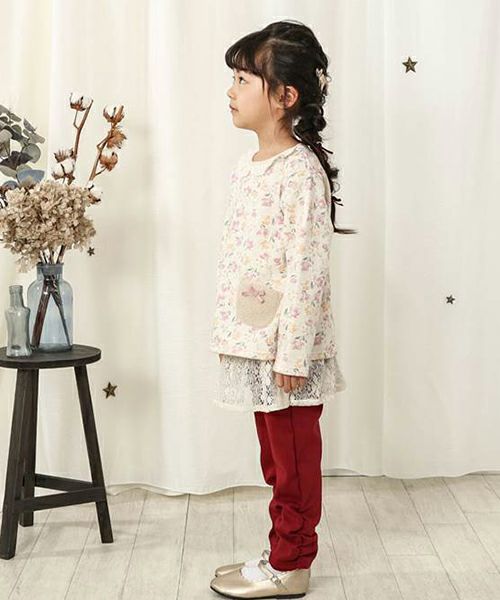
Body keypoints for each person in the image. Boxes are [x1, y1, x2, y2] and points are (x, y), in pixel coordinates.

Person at [209, 19, 357, 599]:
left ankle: (292, 564)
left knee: (293, 463)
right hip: (257, 343)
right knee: (274, 461)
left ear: (284, 97)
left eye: (243, 80)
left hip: (286, 355)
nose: (231, 90)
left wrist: (292, 353)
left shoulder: (301, 174)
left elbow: (307, 271)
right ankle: (278, 552)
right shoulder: (249, 168)